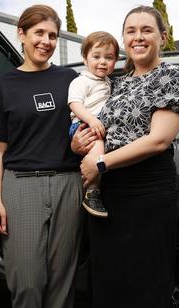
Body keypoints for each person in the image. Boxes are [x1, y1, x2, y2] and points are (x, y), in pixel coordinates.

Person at [74, 6, 179, 308]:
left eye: (146, 30)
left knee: (148, 281)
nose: (137, 37)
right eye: (130, 31)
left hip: (149, 190)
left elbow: (158, 141)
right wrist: (79, 145)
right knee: (116, 283)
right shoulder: (118, 82)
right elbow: (95, 130)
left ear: (163, 35)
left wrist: (99, 163)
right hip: (109, 194)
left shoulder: (172, 77)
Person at [0, 5, 83, 308]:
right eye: (39, 33)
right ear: (21, 35)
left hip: (68, 184)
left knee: (60, 277)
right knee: (25, 279)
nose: (46, 41)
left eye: (52, 35)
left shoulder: (70, 80)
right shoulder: (3, 86)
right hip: (20, 186)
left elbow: (86, 124)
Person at [67, 31, 119, 217]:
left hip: (96, 125)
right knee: (98, 151)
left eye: (109, 57)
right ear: (85, 59)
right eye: (96, 56)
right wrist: (91, 119)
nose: (102, 61)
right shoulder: (81, 81)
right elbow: (74, 104)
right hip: (83, 125)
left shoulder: (108, 82)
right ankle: (91, 191)